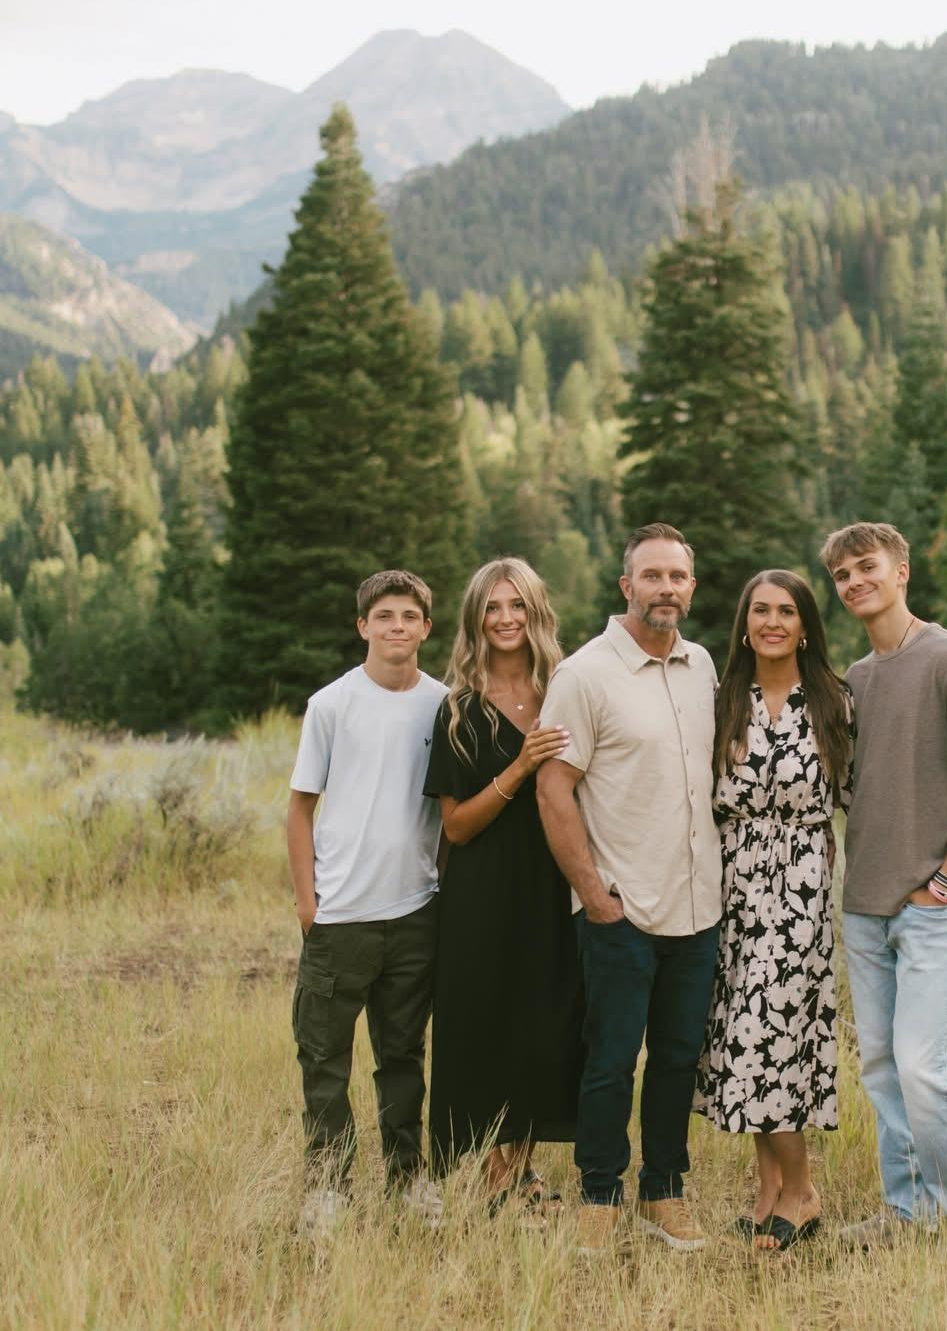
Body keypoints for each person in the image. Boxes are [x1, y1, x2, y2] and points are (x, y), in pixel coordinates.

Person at [535, 522, 723, 1257]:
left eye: (677, 577)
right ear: (626, 586)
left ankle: (664, 1192)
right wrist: (594, 894)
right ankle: (599, 1194)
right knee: (612, 1058)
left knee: (679, 1058)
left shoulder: (703, 666)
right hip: (622, 908)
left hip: (697, 905)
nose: (666, 589)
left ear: (691, 587)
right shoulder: (584, 675)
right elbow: (555, 794)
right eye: (652, 576)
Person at [822, 521, 947, 1262]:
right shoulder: (857, 681)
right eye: (842, 575)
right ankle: (906, 1211)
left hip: (931, 904)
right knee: (881, 1068)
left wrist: (946, 881)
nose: (855, 582)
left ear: (901, 571)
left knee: (926, 1068)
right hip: (864, 905)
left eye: (867, 567)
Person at [285, 569, 449, 1238]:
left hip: (414, 910)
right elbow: (300, 810)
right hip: (340, 915)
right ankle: (328, 1187)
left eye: (409, 616)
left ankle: (409, 1181)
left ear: (426, 628)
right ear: (363, 626)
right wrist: (307, 904)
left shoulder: (444, 703)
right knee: (324, 1058)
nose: (397, 628)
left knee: (404, 1055)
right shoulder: (332, 705)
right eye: (384, 616)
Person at [693, 569, 852, 1252]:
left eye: (786, 610)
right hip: (730, 888)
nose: (772, 621)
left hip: (799, 892)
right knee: (743, 1038)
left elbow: (858, 800)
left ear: (806, 623)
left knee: (773, 1036)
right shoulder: (723, 697)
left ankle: (804, 1190)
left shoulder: (834, 701)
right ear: (745, 623)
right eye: (759, 610)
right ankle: (769, 1193)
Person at [423, 558, 581, 1209]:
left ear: (537, 613)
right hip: (481, 892)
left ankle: (523, 1171)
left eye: (517, 605)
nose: (506, 619)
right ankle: (496, 1179)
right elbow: (456, 827)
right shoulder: (458, 710)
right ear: (476, 620)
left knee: (542, 1025)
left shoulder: (565, 693)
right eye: (493, 607)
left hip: (552, 883)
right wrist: (518, 768)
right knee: (484, 1025)